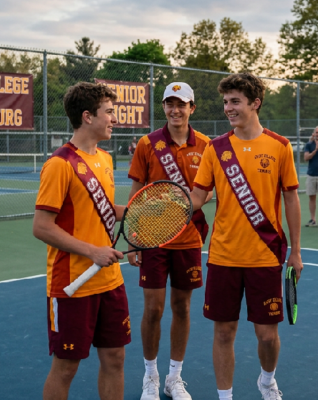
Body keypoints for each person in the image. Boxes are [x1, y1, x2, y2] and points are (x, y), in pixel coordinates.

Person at [189, 72, 303, 400]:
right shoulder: (216, 148)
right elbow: (198, 196)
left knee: (267, 336)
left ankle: (267, 381)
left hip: (265, 256)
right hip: (223, 256)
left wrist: (296, 251)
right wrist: (169, 206)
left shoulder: (280, 146)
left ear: (255, 103)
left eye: (235, 101)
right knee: (224, 333)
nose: (228, 108)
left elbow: (291, 198)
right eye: (226, 102)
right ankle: (225, 396)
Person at [32, 82, 130, 400]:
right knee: (66, 368)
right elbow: (42, 227)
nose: (114, 119)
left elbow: (103, 210)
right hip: (72, 283)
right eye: (109, 112)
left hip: (110, 281)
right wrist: (92, 252)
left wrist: (138, 211)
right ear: (88, 117)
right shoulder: (59, 164)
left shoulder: (105, 159)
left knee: (115, 359)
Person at [127, 82, 211, 400]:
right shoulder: (147, 144)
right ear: (163, 107)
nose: (175, 110)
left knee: (182, 308)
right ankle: (150, 376)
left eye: (181, 104)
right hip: (152, 239)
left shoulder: (206, 145)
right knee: (153, 310)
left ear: (192, 108)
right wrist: (133, 237)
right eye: (169, 104)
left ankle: (174, 378)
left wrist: (193, 200)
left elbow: (210, 190)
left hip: (188, 240)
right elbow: (136, 192)